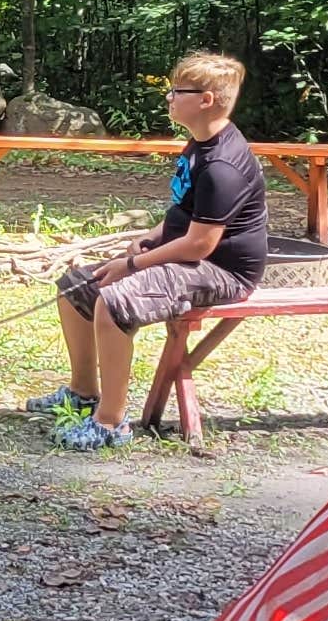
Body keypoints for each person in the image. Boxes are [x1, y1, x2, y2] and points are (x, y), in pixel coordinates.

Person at [35, 51, 268, 449]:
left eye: (178, 91)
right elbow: (186, 214)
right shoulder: (199, 143)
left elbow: (200, 245)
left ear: (206, 99)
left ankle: (109, 423)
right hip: (192, 253)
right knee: (76, 285)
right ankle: (83, 393)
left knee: (113, 302)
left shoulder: (222, 165)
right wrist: (153, 236)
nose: (169, 98)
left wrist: (132, 263)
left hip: (221, 271)